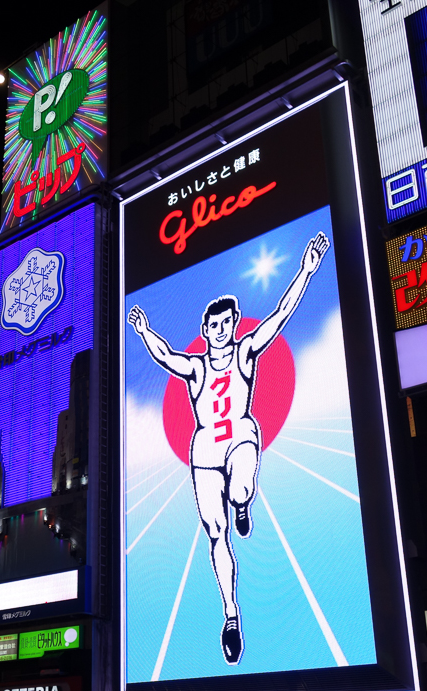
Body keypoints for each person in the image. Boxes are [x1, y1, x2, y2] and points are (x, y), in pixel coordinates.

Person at [127, 231, 328, 664]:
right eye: (214, 326)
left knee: (240, 485)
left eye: (227, 324)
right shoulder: (196, 367)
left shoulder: (246, 353)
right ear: (205, 329)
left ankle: (243, 502)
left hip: (239, 435)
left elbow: (280, 315)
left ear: (235, 325)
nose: (221, 331)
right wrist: (144, 331)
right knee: (215, 535)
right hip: (204, 450)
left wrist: (306, 271)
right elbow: (166, 356)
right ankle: (231, 614)